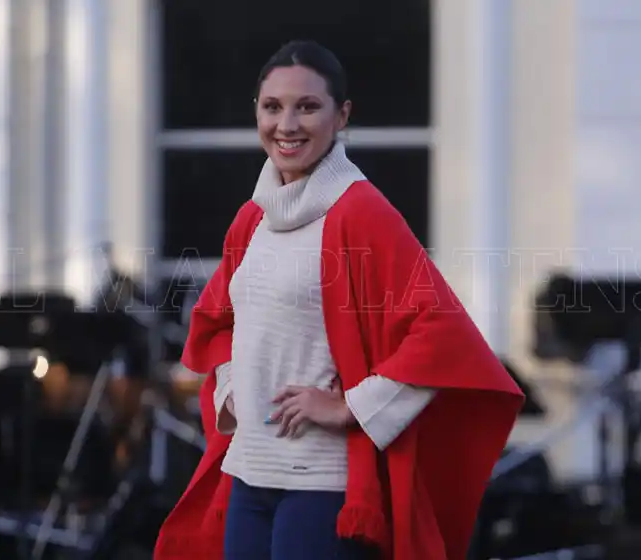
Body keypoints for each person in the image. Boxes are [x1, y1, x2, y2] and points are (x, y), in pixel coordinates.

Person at [155, 40, 524, 560]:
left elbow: (443, 333)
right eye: (272, 107)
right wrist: (233, 387)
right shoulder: (252, 218)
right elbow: (219, 324)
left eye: (307, 107)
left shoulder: (360, 213)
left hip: (322, 483)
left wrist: (352, 406)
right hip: (248, 471)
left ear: (342, 116)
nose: (287, 124)